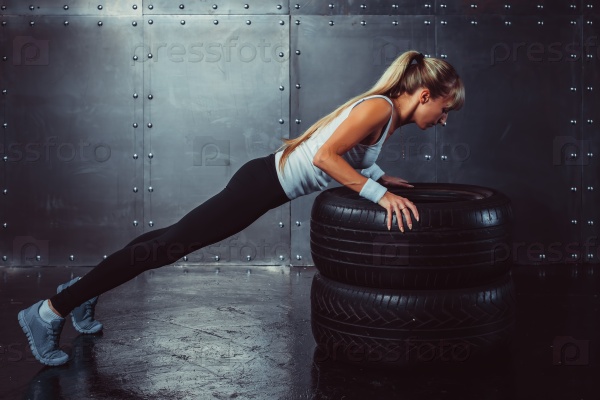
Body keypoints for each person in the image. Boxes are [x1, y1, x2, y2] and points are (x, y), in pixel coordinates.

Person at [18, 50, 465, 366]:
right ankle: (48, 311)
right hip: (260, 184)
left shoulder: (384, 114)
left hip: (264, 184)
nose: (444, 121)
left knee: (165, 239)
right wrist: (379, 195)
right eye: (445, 110)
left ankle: (87, 289)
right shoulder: (379, 108)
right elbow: (327, 156)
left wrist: (378, 175)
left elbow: (349, 153)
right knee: (166, 247)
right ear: (425, 95)